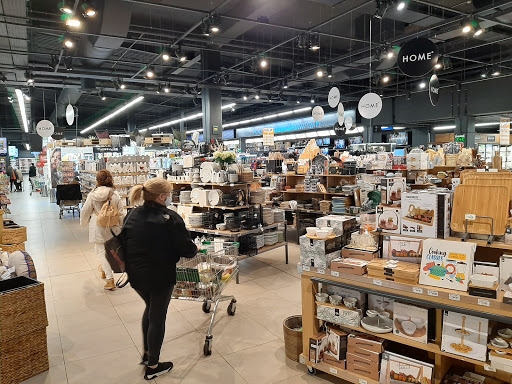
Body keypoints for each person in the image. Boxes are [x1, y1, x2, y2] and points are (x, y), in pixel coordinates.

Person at [123, 179, 197, 380]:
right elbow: (186, 249)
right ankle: (153, 366)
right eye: (170, 193)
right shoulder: (170, 218)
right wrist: (195, 248)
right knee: (157, 316)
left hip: (136, 275)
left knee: (150, 308)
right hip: (160, 275)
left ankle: (147, 353)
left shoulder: (132, 214)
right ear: (161, 196)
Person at [80, 170, 126, 290]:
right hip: (112, 227)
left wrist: (83, 222)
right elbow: (121, 213)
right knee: (111, 251)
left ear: (98, 181)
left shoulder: (92, 195)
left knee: (102, 252)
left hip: (98, 225)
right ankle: (105, 270)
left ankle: (110, 280)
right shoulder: (114, 195)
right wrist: (121, 227)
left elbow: (85, 211)